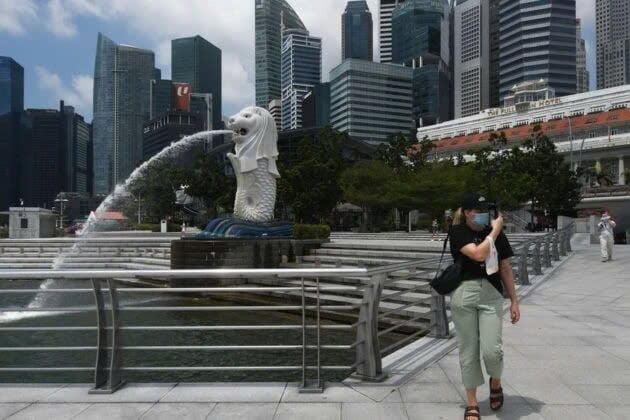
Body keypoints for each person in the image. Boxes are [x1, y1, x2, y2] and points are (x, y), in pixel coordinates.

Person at [449, 192, 520, 420]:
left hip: (491, 294)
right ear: (468, 212)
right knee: (468, 351)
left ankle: (495, 382)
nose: (483, 215)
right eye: (478, 211)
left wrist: (514, 301)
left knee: (493, 351)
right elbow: (479, 255)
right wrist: (496, 230)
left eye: (486, 211)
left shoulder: (495, 234)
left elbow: (506, 268)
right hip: (464, 294)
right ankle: (472, 402)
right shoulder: (458, 231)